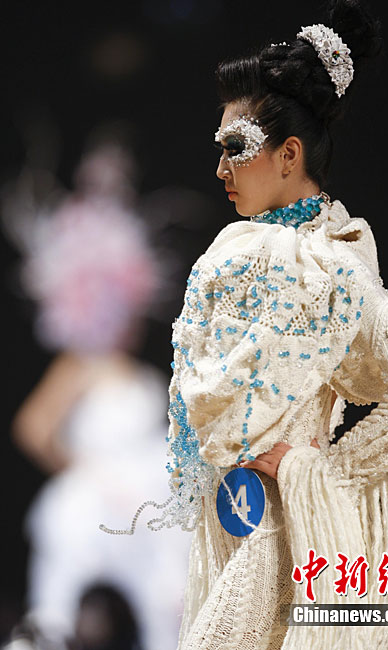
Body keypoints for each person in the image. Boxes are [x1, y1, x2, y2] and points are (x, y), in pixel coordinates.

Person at [129, 1, 388, 648]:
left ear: (289, 153)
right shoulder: (262, 252)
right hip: (234, 522)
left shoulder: (327, 265)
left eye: (235, 148)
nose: (220, 169)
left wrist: (319, 474)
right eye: (218, 150)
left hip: (279, 532)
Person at [9, 142, 192, 650]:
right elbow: (33, 429)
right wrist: (92, 475)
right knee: (59, 608)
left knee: (165, 607)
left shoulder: (142, 374)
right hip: (97, 508)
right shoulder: (80, 364)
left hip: (152, 511)